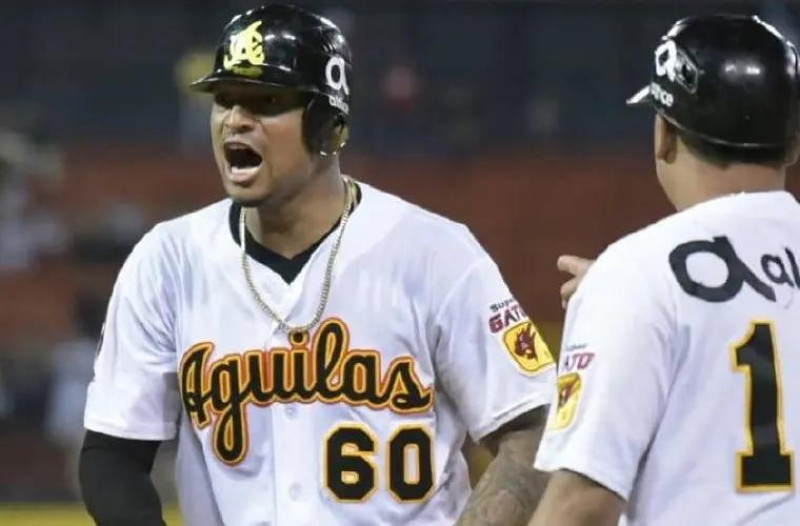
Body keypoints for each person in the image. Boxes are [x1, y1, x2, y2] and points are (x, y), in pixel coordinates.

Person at [79, 4, 556, 526]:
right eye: (225, 100)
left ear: (328, 127)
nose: (236, 119)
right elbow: (113, 454)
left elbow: (533, 429)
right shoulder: (168, 261)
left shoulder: (435, 255)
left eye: (266, 102)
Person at [530, 14, 800, 526]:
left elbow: (581, 508)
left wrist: (629, 291)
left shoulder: (636, 277)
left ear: (665, 135)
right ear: (792, 143)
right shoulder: (639, 280)